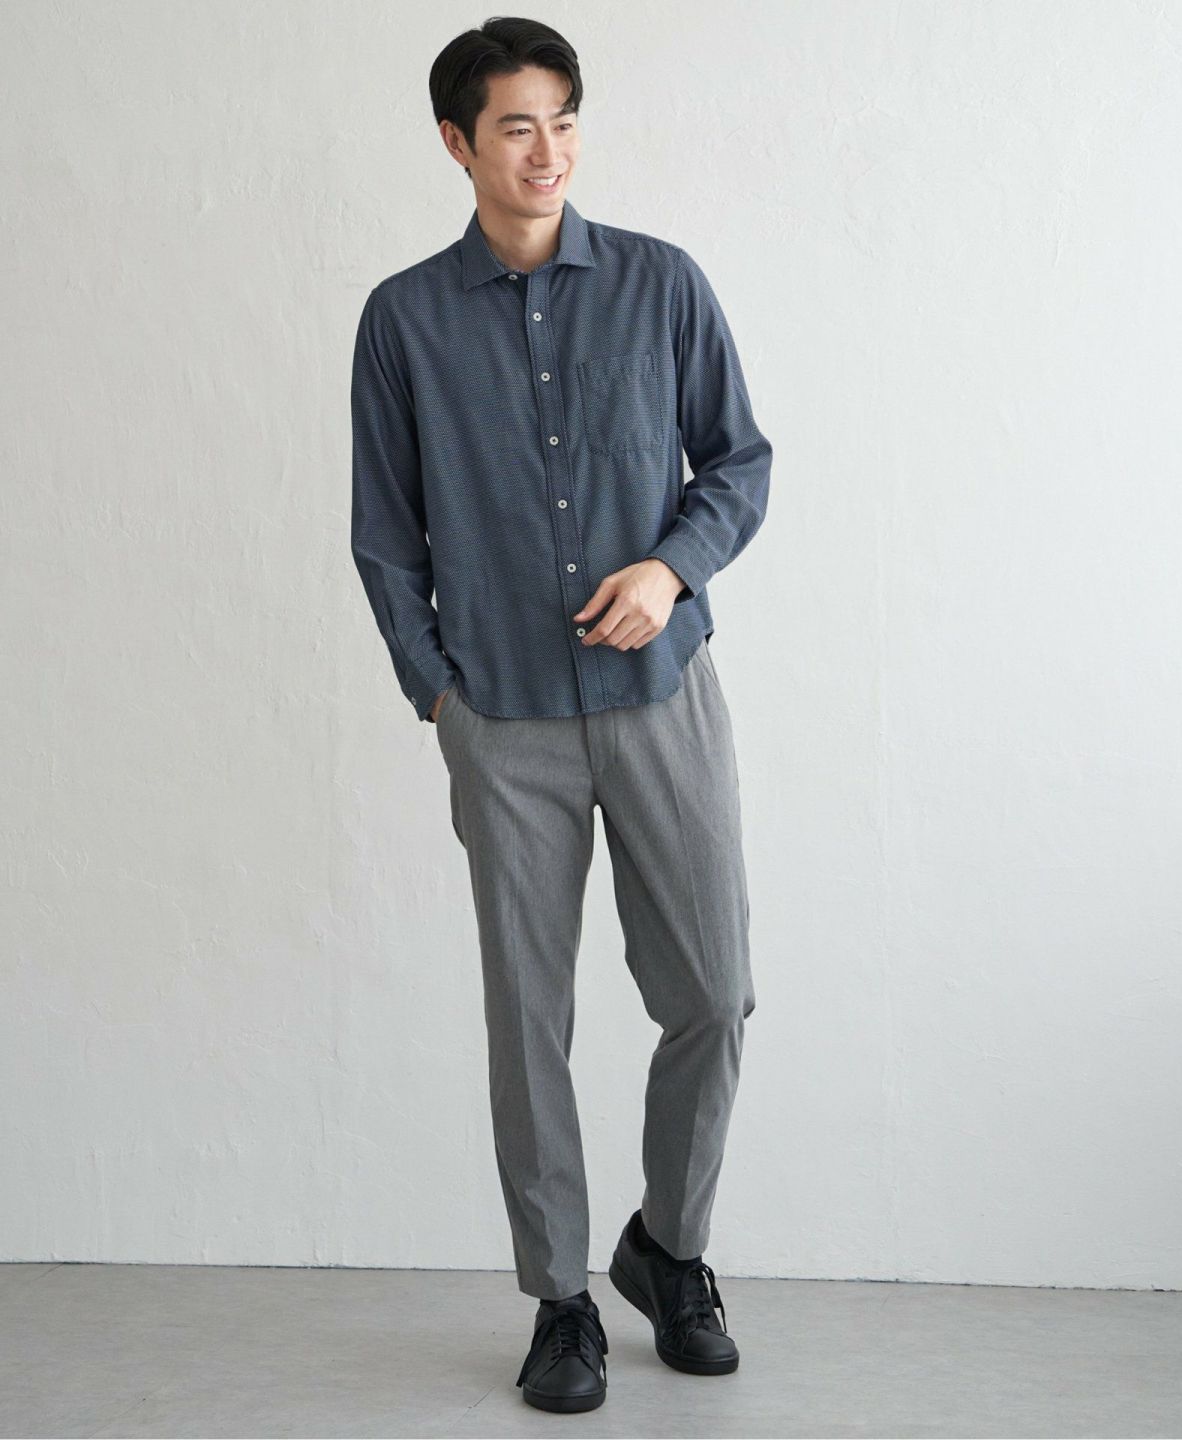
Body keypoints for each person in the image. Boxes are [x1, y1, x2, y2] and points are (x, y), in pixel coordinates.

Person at [350, 15, 771, 1416]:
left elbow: (739, 462)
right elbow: (385, 532)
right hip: (505, 717)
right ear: (458, 143)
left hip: (662, 699)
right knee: (531, 1019)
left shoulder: (662, 284)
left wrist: (671, 568)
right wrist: (438, 692)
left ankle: (671, 1248)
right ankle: (560, 1301)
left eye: (565, 120)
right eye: (517, 126)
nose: (548, 151)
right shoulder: (404, 319)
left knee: (713, 992)